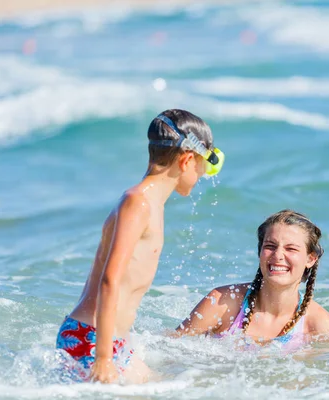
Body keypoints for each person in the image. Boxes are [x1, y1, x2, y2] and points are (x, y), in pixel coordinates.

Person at [56, 109, 225, 383]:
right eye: (203, 166)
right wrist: (103, 358)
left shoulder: (150, 203)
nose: (203, 174)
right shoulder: (138, 203)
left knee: (173, 386)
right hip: (93, 338)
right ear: (186, 160)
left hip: (112, 339)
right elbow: (111, 279)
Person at [177, 209, 329, 350]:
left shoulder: (315, 322)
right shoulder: (224, 302)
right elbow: (168, 347)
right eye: (270, 246)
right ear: (260, 251)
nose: (278, 255)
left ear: (310, 259)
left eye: (291, 249)